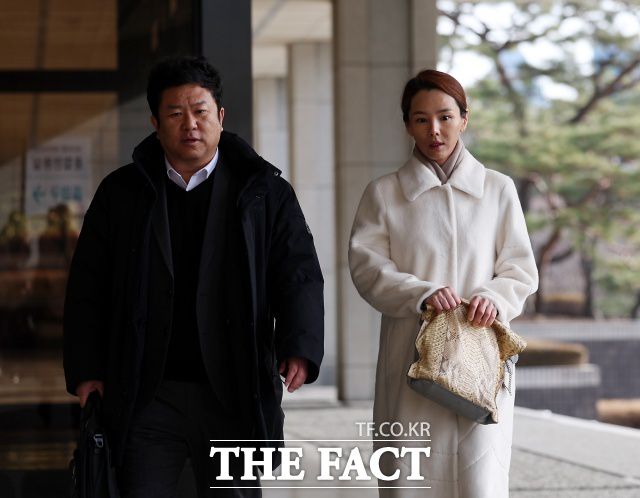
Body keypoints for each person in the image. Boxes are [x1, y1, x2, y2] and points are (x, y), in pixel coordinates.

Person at [63, 56, 324, 497]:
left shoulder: (264, 192)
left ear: (220, 116)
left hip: (233, 386)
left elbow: (297, 271)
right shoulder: (122, 193)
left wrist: (300, 345)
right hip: (146, 390)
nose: (190, 124)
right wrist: (87, 369)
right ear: (155, 123)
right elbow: (88, 285)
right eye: (175, 113)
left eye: (200, 111)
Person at [348, 69, 538, 497]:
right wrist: (421, 293)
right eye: (421, 119)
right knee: (412, 478)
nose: (434, 130)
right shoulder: (384, 193)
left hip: (480, 362)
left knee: (480, 481)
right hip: (411, 358)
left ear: (464, 119)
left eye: (445, 117)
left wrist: (493, 298)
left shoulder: (498, 190)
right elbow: (366, 267)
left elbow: (520, 269)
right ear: (407, 125)